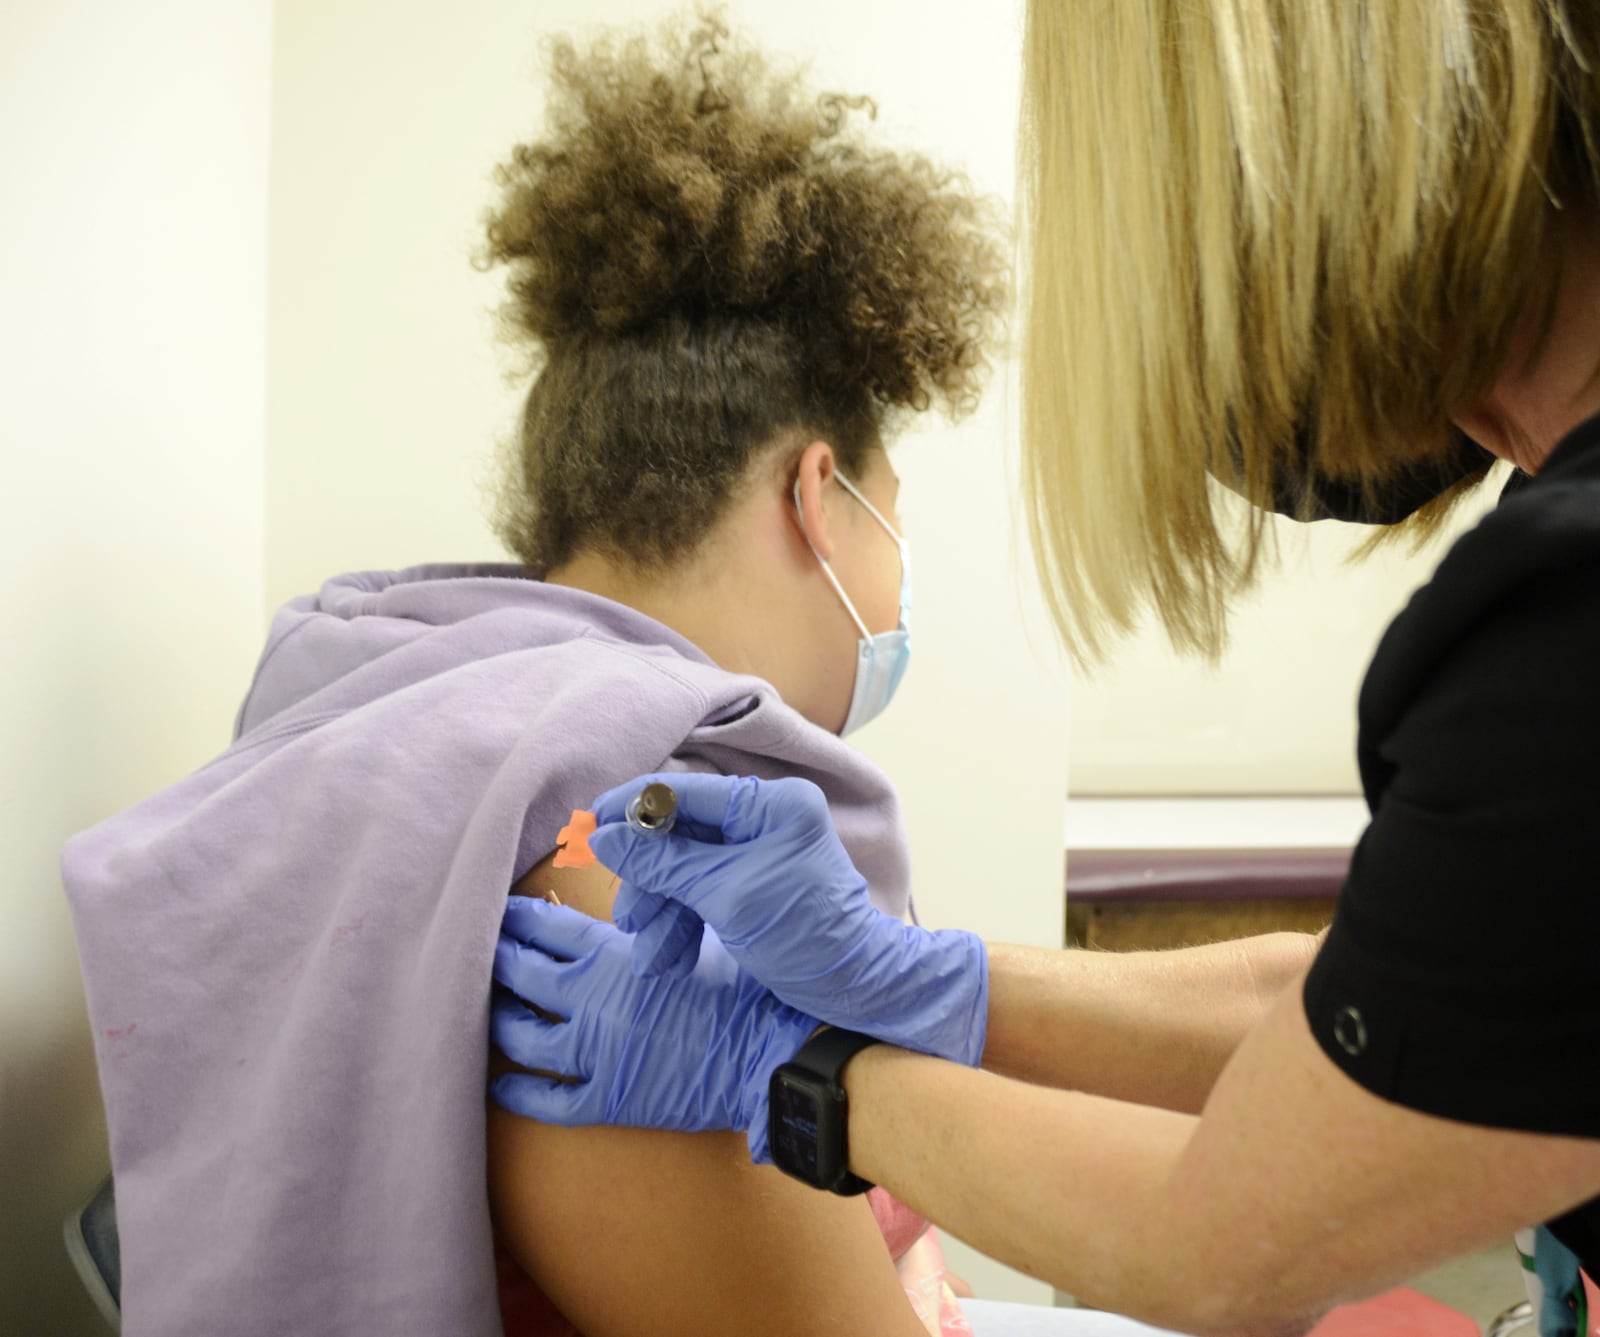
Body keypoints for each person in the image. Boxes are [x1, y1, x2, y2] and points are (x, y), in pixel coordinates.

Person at [490, 4, 1600, 1335]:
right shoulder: (596, 853)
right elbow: (1397, 995)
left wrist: (789, 1067)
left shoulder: (1564, 628)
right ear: (818, 496)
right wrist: (919, 984)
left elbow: (1235, 1232)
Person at [56, 15, 1124, 1337]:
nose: (899, 592)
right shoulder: (627, 846)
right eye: (893, 521)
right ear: (817, 495)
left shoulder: (384, 692)